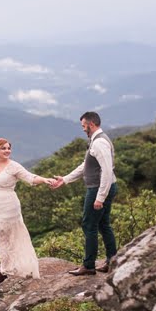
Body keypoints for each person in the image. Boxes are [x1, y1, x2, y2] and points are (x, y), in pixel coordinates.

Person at [50, 111, 118, 276]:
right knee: (103, 224)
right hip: (103, 187)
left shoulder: (99, 143)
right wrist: (65, 179)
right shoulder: (96, 141)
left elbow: (107, 171)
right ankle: (112, 261)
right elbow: (85, 166)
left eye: (83, 126)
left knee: (89, 225)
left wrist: (100, 197)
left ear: (91, 124)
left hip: (98, 189)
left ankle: (89, 265)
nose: (83, 129)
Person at [0, 138, 54, 283]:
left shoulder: (13, 166)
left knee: (7, 236)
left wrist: (45, 180)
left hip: (8, 206)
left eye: (9, 148)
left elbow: (31, 178)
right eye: (4, 148)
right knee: (1, 236)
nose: (7, 151)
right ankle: (8, 265)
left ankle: (5, 270)